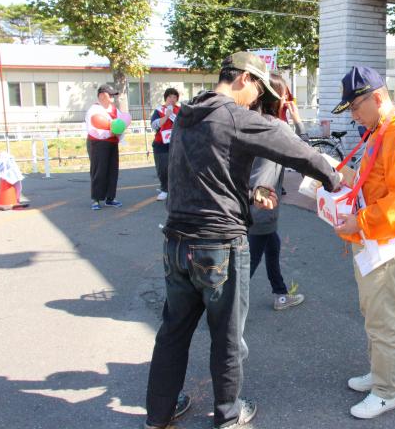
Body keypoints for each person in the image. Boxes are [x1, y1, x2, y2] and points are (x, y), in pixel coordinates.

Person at [144, 52, 342, 429]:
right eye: (257, 89)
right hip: (218, 244)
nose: (257, 99)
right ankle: (229, 414)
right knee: (227, 336)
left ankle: (158, 414)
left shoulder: (187, 114)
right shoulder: (235, 116)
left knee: (173, 331)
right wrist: (334, 179)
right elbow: (294, 148)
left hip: (175, 242)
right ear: (243, 79)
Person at [331, 66, 395, 419]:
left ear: (377, 98)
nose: (354, 115)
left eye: (356, 107)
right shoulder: (382, 130)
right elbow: (375, 184)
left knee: (381, 318)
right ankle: (382, 375)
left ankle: (387, 390)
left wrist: (358, 220)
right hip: (375, 237)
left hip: (385, 241)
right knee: (374, 313)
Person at [248, 73, 308, 311]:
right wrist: (298, 121)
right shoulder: (276, 127)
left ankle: (280, 293)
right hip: (262, 206)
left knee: (272, 246)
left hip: (248, 201)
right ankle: (225, 313)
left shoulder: (250, 121)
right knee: (248, 266)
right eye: (285, 93)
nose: (287, 98)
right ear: (276, 96)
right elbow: (305, 155)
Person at [84, 84, 126, 210]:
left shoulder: (114, 109)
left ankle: (110, 198)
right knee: (99, 170)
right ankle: (96, 199)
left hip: (112, 142)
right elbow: (93, 129)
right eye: (110, 94)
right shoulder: (94, 109)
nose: (113, 97)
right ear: (102, 95)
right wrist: (109, 133)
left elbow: (121, 123)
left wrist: (119, 134)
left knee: (112, 170)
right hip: (98, 143)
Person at [150, 88, 181, 202]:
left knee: (177, 168)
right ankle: (164, 189)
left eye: (175, 97)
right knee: (163, 168)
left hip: (177, 143)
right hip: (161, 144)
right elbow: (154, 125)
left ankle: (175, 189)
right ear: (166, 98)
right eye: (170, 97)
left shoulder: (180, 110)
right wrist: (167, 115)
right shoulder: (159, 110)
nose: (172, 99)